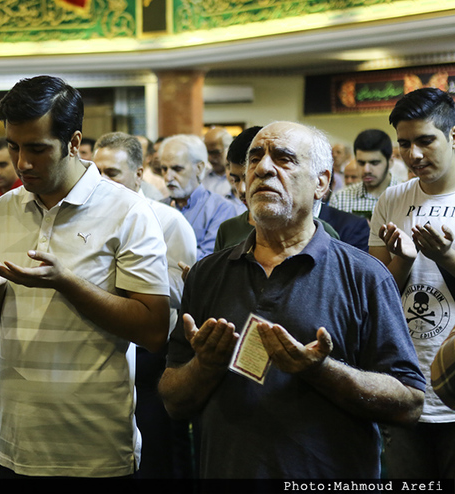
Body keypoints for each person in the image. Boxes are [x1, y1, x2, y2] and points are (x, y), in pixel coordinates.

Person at [159, 121, 425, 478]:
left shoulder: (364, 276)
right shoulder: (208, 274)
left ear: (321, 183)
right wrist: (205, 366)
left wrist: (322, 371)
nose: (263, 169)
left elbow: (408, 404)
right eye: (255, 158)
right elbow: (173, 401)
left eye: (283, 159)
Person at [0, 76, 169, 488]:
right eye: (14, 146)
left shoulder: (128, 211)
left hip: (95, 450)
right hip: (18, 444)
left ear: (74, 142)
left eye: (38, 149)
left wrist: (65, 282)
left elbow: (153, 329)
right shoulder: (5, 209)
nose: (22, 163)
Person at [93, 132, 196, 481]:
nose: (102, 181)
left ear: (138, 174)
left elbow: (183, 297)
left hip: (153, 354)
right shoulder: (88, 220)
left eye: (112, 173)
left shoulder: (168, 221)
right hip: (104, 347)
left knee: (156, 457)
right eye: (96, 172)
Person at [370, 87, 455, 478]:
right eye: (404, 144)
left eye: (425, 141)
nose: (413, 155)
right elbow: (378, 289)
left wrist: (445, 257)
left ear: (452, 136)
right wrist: (403, 260)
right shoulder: (392, 198)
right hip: (406, 377)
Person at [214, 126, 342, 251]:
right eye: (235, 180)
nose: (242, 189)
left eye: (284, 160)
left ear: (320, 182)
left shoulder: (323, 234)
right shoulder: (227, 230)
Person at [160, 134, 238, 260]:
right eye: (164, 169)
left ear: (199, 168)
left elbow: (210, 261)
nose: (168, 177)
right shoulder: (158, 208)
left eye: (177, 169)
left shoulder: (221, 209)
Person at [329, 129, 398, 221]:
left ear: (390, 161)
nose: (366, 170)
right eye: (361, 163)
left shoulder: (406, 195)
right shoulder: (340, 199)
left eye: (374, 163)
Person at [202, 127, 234, 198]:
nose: (210, 158)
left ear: (229, 149)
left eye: (215, 152)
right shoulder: (201, 179)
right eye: (207, 153)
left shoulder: (240, 179)